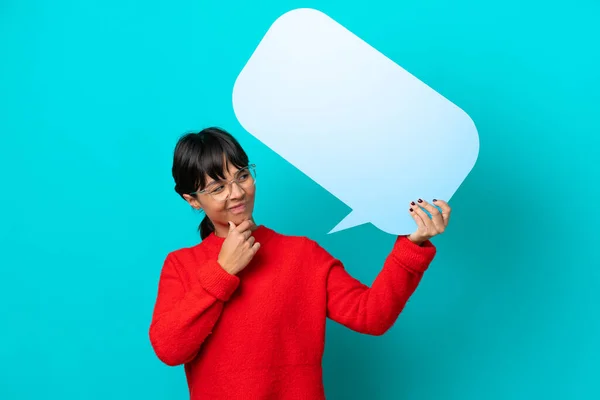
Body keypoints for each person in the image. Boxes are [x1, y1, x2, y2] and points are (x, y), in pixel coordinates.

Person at [149, 127, 452, 399]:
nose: (237, 193)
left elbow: (371, 315)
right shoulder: (182, 265)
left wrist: (414, 244)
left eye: (242, 175)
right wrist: (222, 272)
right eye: (218, 188)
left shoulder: (302, 254)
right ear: (192, 200)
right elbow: (170, 349)